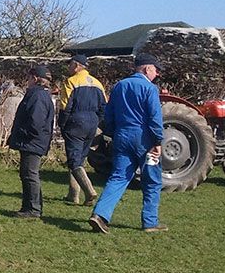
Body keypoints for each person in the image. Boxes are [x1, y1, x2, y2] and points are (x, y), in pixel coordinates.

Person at [88, 53, 167, 234]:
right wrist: (157, 141)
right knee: (152, 179)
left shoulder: (119, 86)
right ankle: (150, 221)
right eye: (155, 70)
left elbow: (109, 114)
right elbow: (155, 117)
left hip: (122, 136)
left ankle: (100, 214)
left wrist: (112, 133)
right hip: (144, 138)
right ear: (147, 69)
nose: (155, 75)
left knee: (119, 177)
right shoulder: (150, 88)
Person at [7, 65, 56, 219]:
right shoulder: (41, 95)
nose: (27, 81)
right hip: (33, 141)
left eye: (28, 78)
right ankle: (30, 206)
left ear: (35, 78)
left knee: (29, 174)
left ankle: (33, 209)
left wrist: (22, 133)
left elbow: (36, 121)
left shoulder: (37, 96)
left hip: (32, 141)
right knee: (27, 174)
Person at [58, 54, 106, 205]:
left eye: (70, 64)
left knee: (73, 159)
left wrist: (63, 124)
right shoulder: (98, 83)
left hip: (76, 122)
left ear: (77, 65)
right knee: (80, 158)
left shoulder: (71, 82)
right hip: (92, 123)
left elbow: (66, 106)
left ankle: (89, 191)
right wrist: (96, 121)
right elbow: (104, 107)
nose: (68, 67)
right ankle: (73, 194)